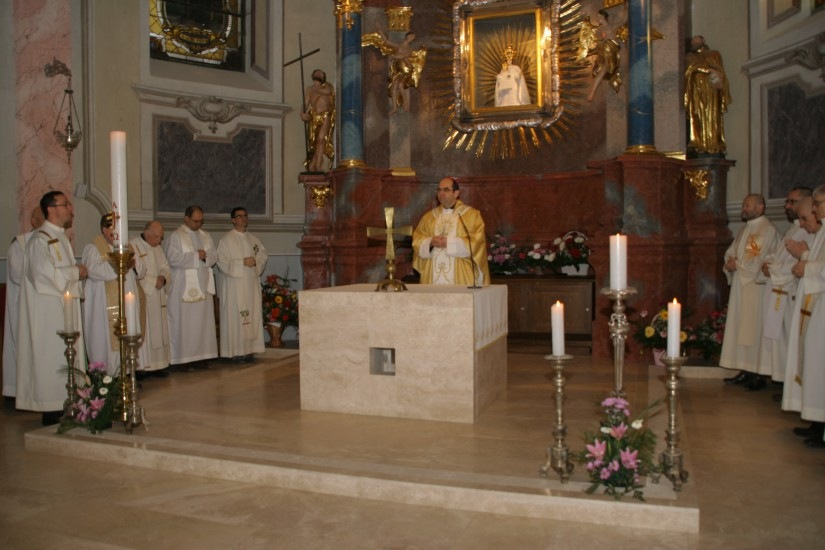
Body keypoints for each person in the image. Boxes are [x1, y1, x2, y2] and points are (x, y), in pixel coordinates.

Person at [16, 191, 88, 425]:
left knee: (64, 355)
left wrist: (75, 273)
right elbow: (42, 276)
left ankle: (69, 400)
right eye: (65, 204)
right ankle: (51, 407)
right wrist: (75, 272)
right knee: (51, 355)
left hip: (62, 309)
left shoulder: (59, 237)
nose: (70, 209)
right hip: (48, 313)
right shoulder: (39, 241)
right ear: (51, 209)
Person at [720, 194, 779, 390]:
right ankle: (746, 369)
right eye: (744, 205)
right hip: (741, 286)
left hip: (757, 287)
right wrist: (730, 261)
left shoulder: (767, 230)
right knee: (741, 328)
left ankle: (759, 374)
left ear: (760, 207)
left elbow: (759, 260)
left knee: (755, 330)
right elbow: (732, 251)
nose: (743, 208)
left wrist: (737, 264)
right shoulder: (746, 229)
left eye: (747, 205)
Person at [782, 185, 825, 448]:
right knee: (814, 363)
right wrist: (806, 259)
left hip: (821, 304)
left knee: (819, 363)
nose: (816, 208)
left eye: (818, 203)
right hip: (816, 305)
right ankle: (817, 421)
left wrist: (805, 264)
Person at [760, 187, 815, 386]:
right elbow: (777, 253)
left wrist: (774, 271)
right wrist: (768, 264)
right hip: (779, 290)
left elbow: (799, 264)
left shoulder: (811, 231)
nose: (787, 206)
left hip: (790, 291)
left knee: (789, 339)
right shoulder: (794, 228)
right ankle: (784, 381)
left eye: (792, 201)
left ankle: (790, 383)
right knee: (779, 339)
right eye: (787, 201)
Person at [82, 214, 144, 377]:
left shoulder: (127, 247)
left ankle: (126, 374)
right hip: (103, 305)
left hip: (127, 300)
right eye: (113, 230)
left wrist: (133, 265)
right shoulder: (93, 248)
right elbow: (93, 271)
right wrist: (120, 265)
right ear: (104, 229)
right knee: (104, 340)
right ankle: (107, 377)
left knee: (128, 333)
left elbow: (142, 269)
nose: (117, 234)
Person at [164, 205, 218, 368]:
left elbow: (214, 255)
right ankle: (183, 359)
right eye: (195, 221)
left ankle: (202, 356)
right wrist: (196, 255)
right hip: (182, 288)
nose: (198, 224)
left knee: (202, 322)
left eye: (201, 221)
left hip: (203, 285)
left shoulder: (206, 236)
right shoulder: (176, 236)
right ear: (186, 219)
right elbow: (172, 258)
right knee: (184, 323)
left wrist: (205, 257)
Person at [412, 177, 490, 286]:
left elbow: (477, 242)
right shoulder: (429, 217)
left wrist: (450, 243)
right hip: (432, 274)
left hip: (461, 274)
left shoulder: (471, 215)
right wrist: (430, 242)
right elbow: (417, 239)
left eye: (446, 190)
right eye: (439, 190)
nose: (441, 193)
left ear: (456, 193)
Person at [216, 207, 267, 363]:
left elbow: (262, 256)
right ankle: (236, 352)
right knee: (236, 316)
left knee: (253, 314)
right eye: (239, 216)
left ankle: (250, 350)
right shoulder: (226, 240)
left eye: (245, 216)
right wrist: (242, 262)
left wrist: (256, 262)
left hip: (251, 285)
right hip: (235, 286)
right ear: (233, 220)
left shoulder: (254, 239)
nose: (243, 218)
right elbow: (222, 262)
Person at [2, 207, 44, 398]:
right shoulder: (19, 244)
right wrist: (46, 275)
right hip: (24, 306)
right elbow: (17, 274)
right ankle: (22, 391)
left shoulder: (52, 243)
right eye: (42, 219)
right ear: (33, 221)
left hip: (43, 307)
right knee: (23, 347)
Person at [129, 220, 171, 377]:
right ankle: (144, 367)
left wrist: (163, 278)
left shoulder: (158, 248)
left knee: (160, 329)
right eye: (157, 237)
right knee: (147, 330)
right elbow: (134, 273)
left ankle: (160, 364)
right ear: (147, 234)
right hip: (144, 296)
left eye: (161, 237)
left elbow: (166, 267)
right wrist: (154, 281)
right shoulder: (133, 246)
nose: (159, 241)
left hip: (159, 295)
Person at [684, 35, 731, 157]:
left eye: (696, 39)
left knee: (712, 116)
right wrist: (708, 70)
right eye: (692, 40)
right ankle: (698, 144)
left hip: (711, 91)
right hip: (697, 92)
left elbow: (720, 71)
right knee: (698, 116)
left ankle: (714, 145)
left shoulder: (714, 54)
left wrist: (717, 78)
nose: (694, 42)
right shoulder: (689, 56)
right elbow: (691, 68)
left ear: (703, 41)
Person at [363, 30, 427, 114]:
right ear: (407, 36)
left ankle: (405, 105)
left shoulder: (409, 49)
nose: (412, 38)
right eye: (411, 36)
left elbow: (402, 56)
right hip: (396, 69)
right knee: (395, 87)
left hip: (405, 69)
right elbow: (386, 42)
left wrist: (394, 56)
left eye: (413, 38)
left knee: (399, 85)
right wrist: (380, 31)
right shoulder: (399, 45)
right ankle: (396, 107)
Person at [578, 5, 627, 102]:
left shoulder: (612, 26)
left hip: (612, 50)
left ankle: (593, 91)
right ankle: (592, 91)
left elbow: (623, 20)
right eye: (597, 17)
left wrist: (626, 8)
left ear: (604, 17)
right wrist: (599, 42)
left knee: (607, 67)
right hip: (605, 51)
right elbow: (598, 42)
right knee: (603, 69)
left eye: (599, 17)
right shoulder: (599, 30)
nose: (598, 19)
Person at [300, 69, 335, 173]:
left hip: (325, 115)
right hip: (314, 117)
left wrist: (317, 89)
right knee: (314, 142)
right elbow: (305, 103)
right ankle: (313, 164)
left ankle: (319, 164)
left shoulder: (328, 87)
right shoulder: (309, 89)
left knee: (321, 139)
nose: (319, 75)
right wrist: (302, 113)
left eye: (320, 74)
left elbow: (328, 92)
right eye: (317, 74)